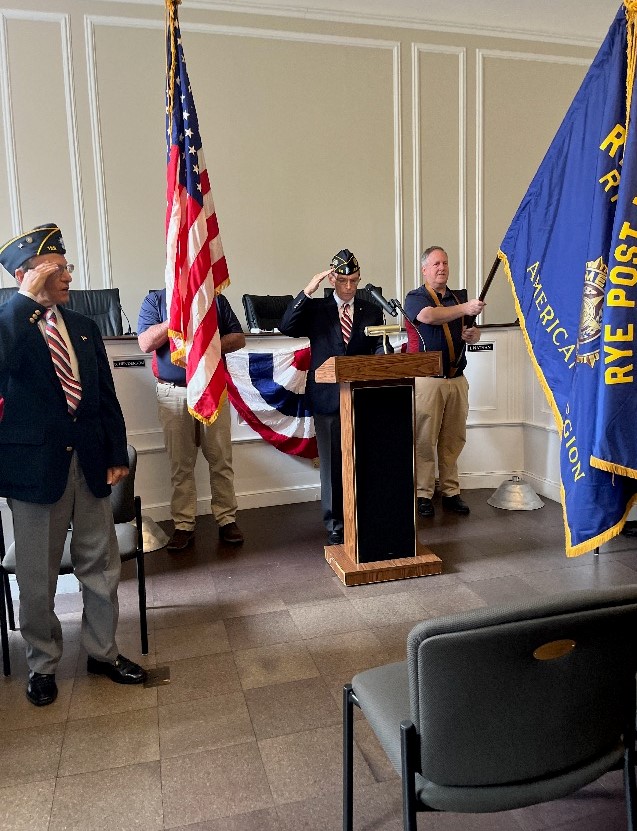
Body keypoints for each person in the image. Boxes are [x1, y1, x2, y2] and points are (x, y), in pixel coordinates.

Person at [0, 222, 146, 706]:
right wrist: (25, 300)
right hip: (35, 471)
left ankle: (103, 652)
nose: (67, 276)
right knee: (37, 578)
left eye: (67, 267)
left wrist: (115, 452)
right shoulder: (9, 322)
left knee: (100, 565)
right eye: (55, 268)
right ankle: (42, 663)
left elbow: (104, 394)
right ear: (25, 274)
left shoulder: (82, 325)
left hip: (90, 464)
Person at [279, 249, 388, 545]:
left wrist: (382, 358)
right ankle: (335, 523)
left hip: (361, 397)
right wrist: (308, 290)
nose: (349, 287)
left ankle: (363, 515)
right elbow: (287, 326)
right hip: (327, 397)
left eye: (354, 281)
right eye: (343, 281)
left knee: (363, 460)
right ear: (332, 279)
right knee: (331, 465)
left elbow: (376, 346)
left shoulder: (371, 309)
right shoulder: (317, 309)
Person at [137, 289, 245, 550]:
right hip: (173, 392)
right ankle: (183, 524)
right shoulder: (155, 300)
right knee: (180, 463)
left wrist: (207, 345)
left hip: (211, 388)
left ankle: (226, 519)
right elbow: (146, 343)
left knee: (220, 459)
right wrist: (176, 318)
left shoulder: (214, 297)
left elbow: (238, 338)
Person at [404, 246, 484, 518]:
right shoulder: (415, 297)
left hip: (456, 379)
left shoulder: (457, 297)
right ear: (424, 269)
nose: (442, 268)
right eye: (436, 263)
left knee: (453, 440)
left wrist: (474, 335)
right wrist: (466, 307)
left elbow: (471, 330)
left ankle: (451, 492)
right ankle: (423, 494)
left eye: (445, 263)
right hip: (427, 381)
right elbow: (429, 316)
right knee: (424, 440)